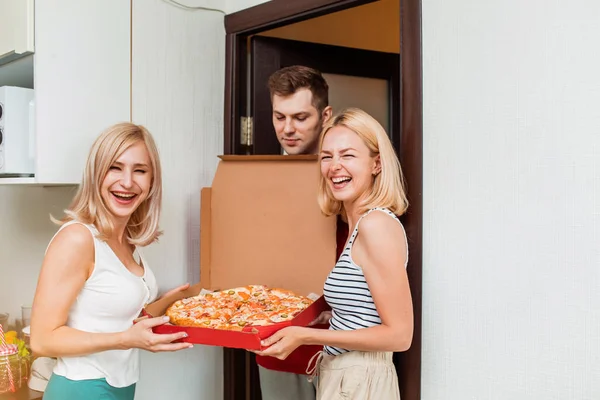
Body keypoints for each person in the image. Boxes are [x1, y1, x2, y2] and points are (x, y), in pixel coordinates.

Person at [256, 108, 414, 400]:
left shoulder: (375, 225)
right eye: (327, 156)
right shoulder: (358, 224)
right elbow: (370, 314)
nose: (334, 166)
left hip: (362, 379)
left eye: (348, 155)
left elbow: (400, 335)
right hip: (345, 376)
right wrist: (334, 316)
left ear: (376, 164)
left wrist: (307, 336)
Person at [30, 123, 193, 400]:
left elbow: (105, 315)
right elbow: (42, 339)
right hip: (81, 389)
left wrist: (165, 304)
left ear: (152, 181)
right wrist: (125, 340)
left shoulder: (128, 241)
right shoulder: (78, 238)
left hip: (122, 388)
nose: (127, 182)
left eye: (140, 170)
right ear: (96, 174)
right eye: (115, 168)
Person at [254, 66, 340, 400]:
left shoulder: (345, 175)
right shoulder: (260, 180)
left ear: (325, 115)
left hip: (338, 342)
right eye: (280, 117)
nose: (287, 129)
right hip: (277, 345)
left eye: (300, 117)